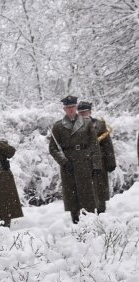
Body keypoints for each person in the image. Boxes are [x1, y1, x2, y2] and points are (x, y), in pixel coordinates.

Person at [48, 95, 102, 223]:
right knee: (72, 197)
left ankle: (90, 223)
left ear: (76, 107)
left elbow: (94, 145)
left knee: (88, 196)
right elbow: (53, 148)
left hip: (85, 163)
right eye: (68, 107)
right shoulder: (58, 126)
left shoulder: (87, 123)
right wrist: (64, 162)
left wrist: (96, 166)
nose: (71, 110)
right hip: (69, 165)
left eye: (72, 107)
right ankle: (75, 222)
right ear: (64, 109)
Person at [77, 101, 115, 213]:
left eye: (85, 111)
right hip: (82, 163)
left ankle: (101, 211)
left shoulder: (100, 124)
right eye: (81, 112)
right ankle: (85, 214)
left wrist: (111, 161)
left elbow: (108, 145)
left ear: (90, 111)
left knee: (100, 188)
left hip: (100, 162)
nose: (83, 114)